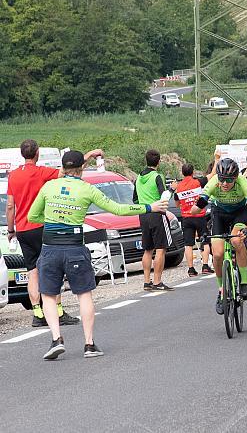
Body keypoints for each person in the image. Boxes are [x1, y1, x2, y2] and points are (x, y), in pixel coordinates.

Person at [28, 150, 168, 360]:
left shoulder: (49, 187)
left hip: (50, 247)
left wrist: (50, 221)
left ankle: (56, 339)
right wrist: (150, 207)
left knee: (48, 294)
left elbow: (32, 215)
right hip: (75, 247)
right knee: (84, 294)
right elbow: (118, 209)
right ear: (82, 169)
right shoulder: (87, 189)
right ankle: (89, 344)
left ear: (63, 168)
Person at [6, 139, 101, 327]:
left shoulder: (13, 175)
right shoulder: (42, 172)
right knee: (52, 270)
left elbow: (10, 205)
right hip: (42, 226)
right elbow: (69, 170)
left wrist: (11, 230)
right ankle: (58, 311)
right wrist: (89, 155)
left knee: (32, 271)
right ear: (37, 153)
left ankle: (37, 312)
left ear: (22, 154)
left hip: (23, 229)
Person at [191, 158, 247, 310]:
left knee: (237, 240)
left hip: (239, 212)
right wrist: (197, 206)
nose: (224, 183)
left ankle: (244, 283)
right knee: (217, 254)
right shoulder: (214, 182)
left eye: (229, 180)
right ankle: (221, 290)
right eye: (222, 179)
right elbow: (195, 209)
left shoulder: (243, 182)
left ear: (235, 178)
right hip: (219, 213)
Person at [133, 150, 173, 291]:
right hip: (157, 214)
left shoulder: (137, 178)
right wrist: (172, 189)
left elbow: (135, 199)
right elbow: (164, 197)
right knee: (161, 248)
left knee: (148, 249)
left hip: (143, 214)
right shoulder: (157, 176)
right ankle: (157, 281)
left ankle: (146, 281)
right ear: (159, 162)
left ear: (146, 160)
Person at [174, 164, 212, 277]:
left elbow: (177, 204)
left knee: (188, 244)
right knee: (204, 241)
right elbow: (211, 175)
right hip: (199, 216)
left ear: (182, 173)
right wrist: (216, 160)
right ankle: (205, 266)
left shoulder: (179, 187)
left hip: (186, 217)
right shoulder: (197, 182)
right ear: (193, 172)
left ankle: (191, 269)